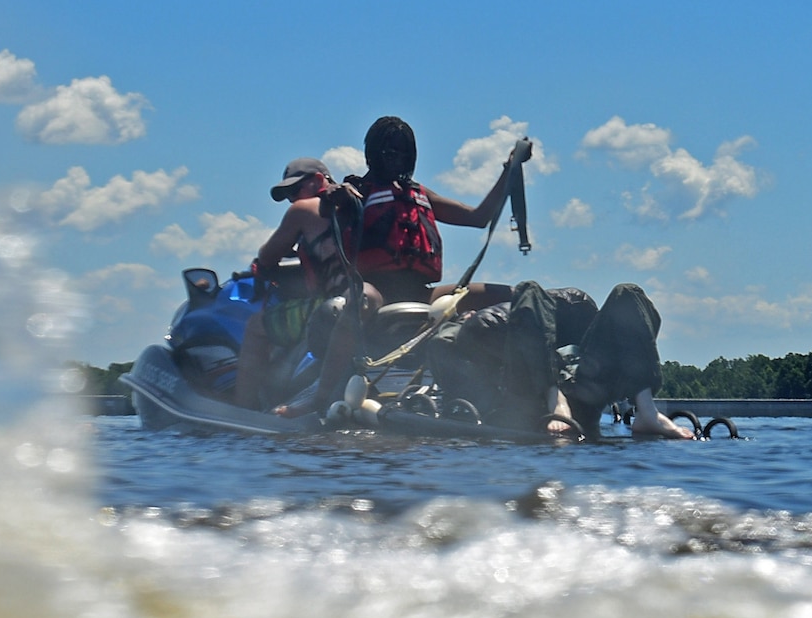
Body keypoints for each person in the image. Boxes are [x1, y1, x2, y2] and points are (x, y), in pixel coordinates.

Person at [427, 281, 697, 439]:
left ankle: (646, 410)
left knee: (628, 293)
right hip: (534, 389)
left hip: (584, 378)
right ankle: (554, 397)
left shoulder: (487, 322)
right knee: (529, 289)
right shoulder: (456, 337)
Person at [233, 158, 375, 411]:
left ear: (319, 180)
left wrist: (264, 265)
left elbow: (267, 257)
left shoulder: (304, 210)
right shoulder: (359, 202)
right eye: (288, 194)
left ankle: (244, 412)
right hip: (371, 294)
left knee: (256, 326)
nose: (292, 199)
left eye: (295, 190)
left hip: (333, 304)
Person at [344, 116, 526, 307]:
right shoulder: (356, 192)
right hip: (376, 291)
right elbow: (324, 213)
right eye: (390, 153)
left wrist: (510, 167)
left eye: (403, 155)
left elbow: (479, 217)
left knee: (512, 295)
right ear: (374, 153)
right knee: (361, 299)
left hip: (422, 293)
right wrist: (332, 197)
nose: (397, 160)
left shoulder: (420, 194)